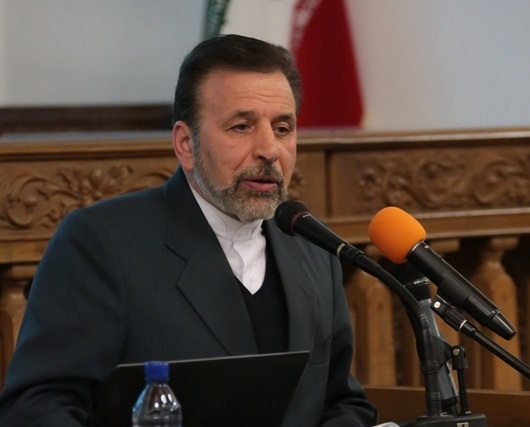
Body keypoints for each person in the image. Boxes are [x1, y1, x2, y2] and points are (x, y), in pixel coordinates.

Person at [0, 34, 378, 426]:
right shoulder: (101, 244)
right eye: (242, 126)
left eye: (283, 128)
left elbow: (341, 402)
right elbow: (37, 408)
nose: (269, 149)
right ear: (185, 143)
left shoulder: (314, 248)